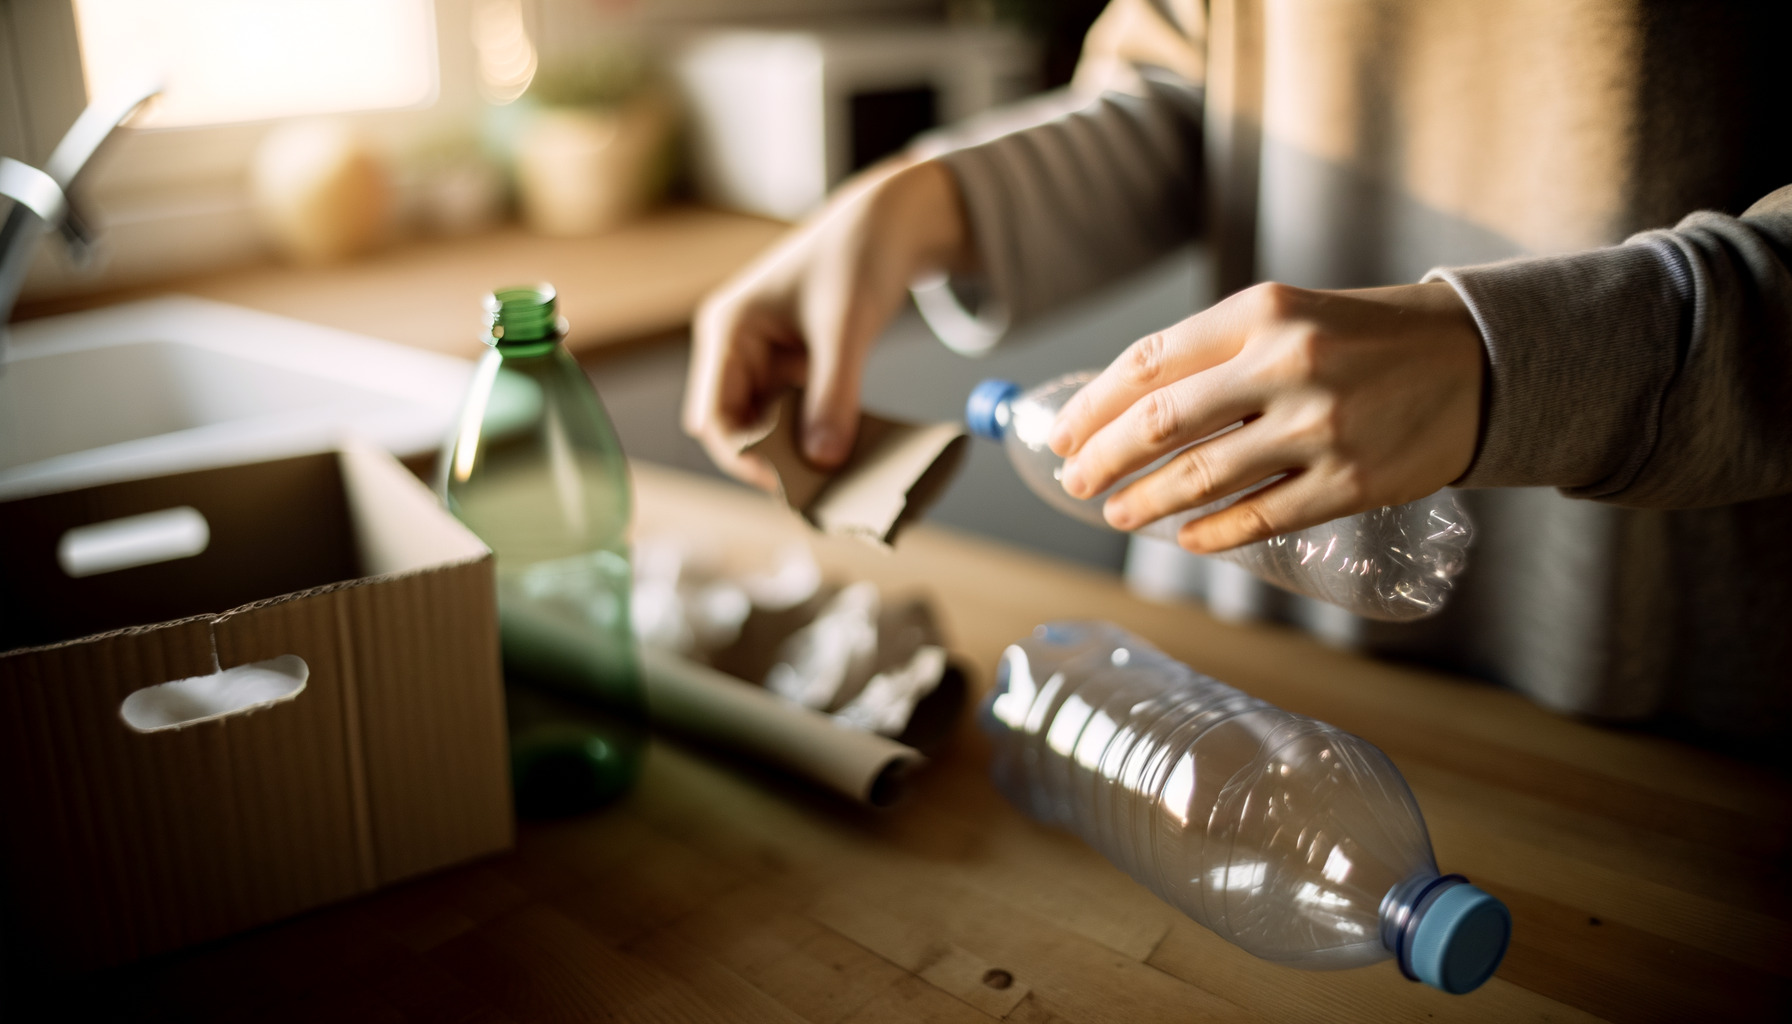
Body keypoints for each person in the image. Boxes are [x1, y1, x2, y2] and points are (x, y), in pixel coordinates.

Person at [683, 0, 1792, 739]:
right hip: (1249, 672)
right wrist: (917, 204)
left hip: (1644, 684)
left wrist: (1518, 361)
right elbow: (1193, 84)